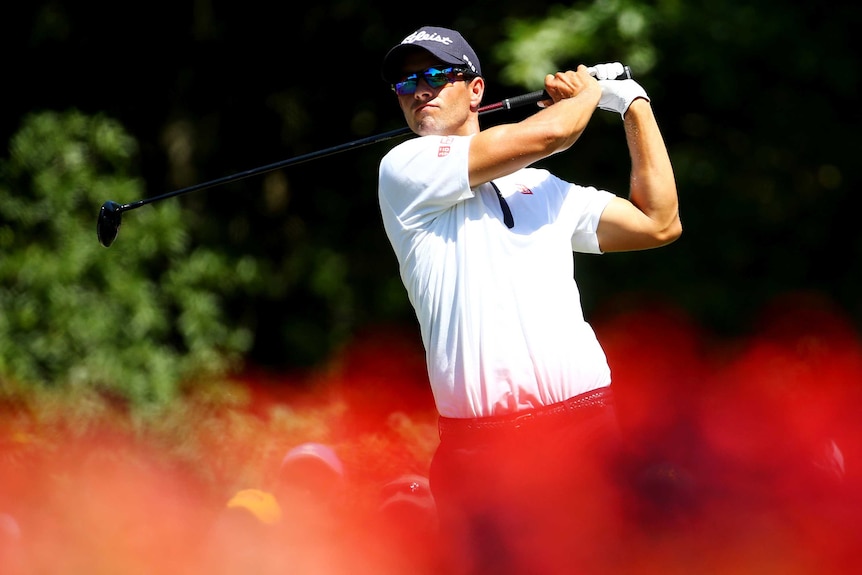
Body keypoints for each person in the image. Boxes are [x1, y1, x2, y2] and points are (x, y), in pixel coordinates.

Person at [377, 25, 681, 574]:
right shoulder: (404, 169)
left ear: (475, 91)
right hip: (479, 451)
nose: (419, 90)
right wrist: (590, 93)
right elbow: (550, 135)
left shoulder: (543, 188)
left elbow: (658, 223)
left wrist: (633, 103)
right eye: (405, 84)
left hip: (583, 428)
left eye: (435, 76)